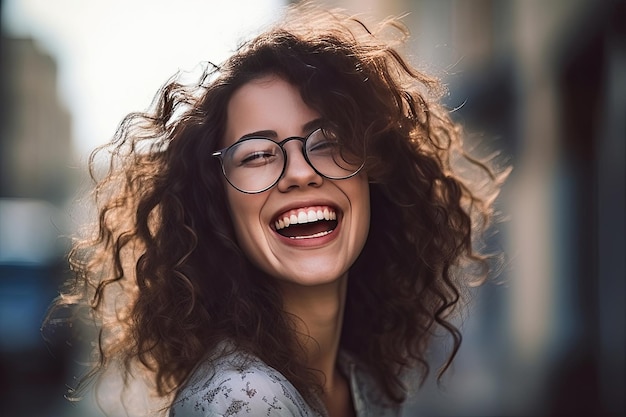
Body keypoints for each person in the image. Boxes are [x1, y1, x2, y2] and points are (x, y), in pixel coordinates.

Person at [48, 3, 507, 417]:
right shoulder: (242, 400)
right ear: (217, 205)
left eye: (328, 141)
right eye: (257, 154)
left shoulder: (364, 382)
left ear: (375, 172)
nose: (299, 173)